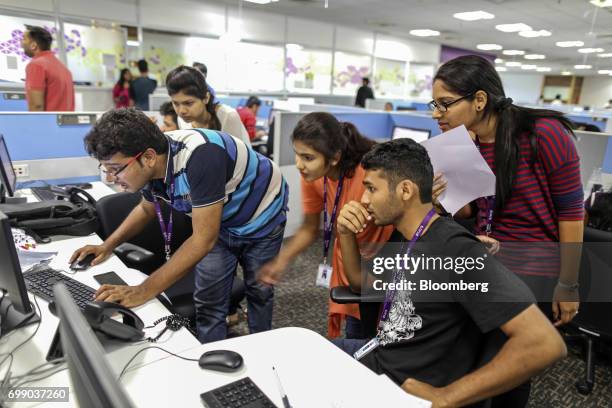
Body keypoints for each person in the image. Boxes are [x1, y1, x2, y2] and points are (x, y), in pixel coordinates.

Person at [333, 138, 566, 407]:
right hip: (381, 357)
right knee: (296, 356)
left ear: (406, 190)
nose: (363, 199)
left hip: (405, 387)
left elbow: (544, 343)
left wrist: (448, 396)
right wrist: (346, 234)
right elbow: (362, 284)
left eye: (371, 189)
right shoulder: (405, 237)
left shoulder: (456, 250)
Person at [430, 55, 583, 404]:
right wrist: (441, 200)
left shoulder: (544, 134)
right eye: (434, 104)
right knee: (463, 361)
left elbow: (572, 214)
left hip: (531, 268)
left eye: (445, 104)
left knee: (508, 375)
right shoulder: (459, 143)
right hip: (483, 260)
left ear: (479, 100)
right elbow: (472, 210)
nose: (436, 113)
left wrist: (568, 284)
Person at [70, 108, 288, 343]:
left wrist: (142, 290)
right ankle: (210, 356)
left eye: (115, 169)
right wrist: (107, 245)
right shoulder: (153, 166)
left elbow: (203, 240)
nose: (111, 178)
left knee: (259, 291)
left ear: (149, 157)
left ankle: (264, 348)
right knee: (209, 299)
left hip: (261, 216)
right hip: (220, 221)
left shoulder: (201, 156)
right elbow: (146, 208)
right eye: (106, 169)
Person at [258, 112, 394, 339]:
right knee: (357, 334)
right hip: (349, 262)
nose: (299, 165)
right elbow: (310, 228)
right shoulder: (312, 177)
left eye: (308, 157)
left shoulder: (368, 176)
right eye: (297, 155)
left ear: (334, 157)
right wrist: (281, 261)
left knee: (383, 336)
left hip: (381, 263)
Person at [167, 65, 251, 145]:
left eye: (188, 103)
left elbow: (239, 156)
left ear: (206, 98)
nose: (182, 111)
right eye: (176, 103)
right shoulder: (182, 120)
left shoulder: (227, 116)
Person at [21, 25, 74, 112]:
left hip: (46, 124)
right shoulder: (63, 68)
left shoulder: (36, 65)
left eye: (24, 39)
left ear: (33, 45)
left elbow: (36, 105)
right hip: (64, 124)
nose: (21, 43)